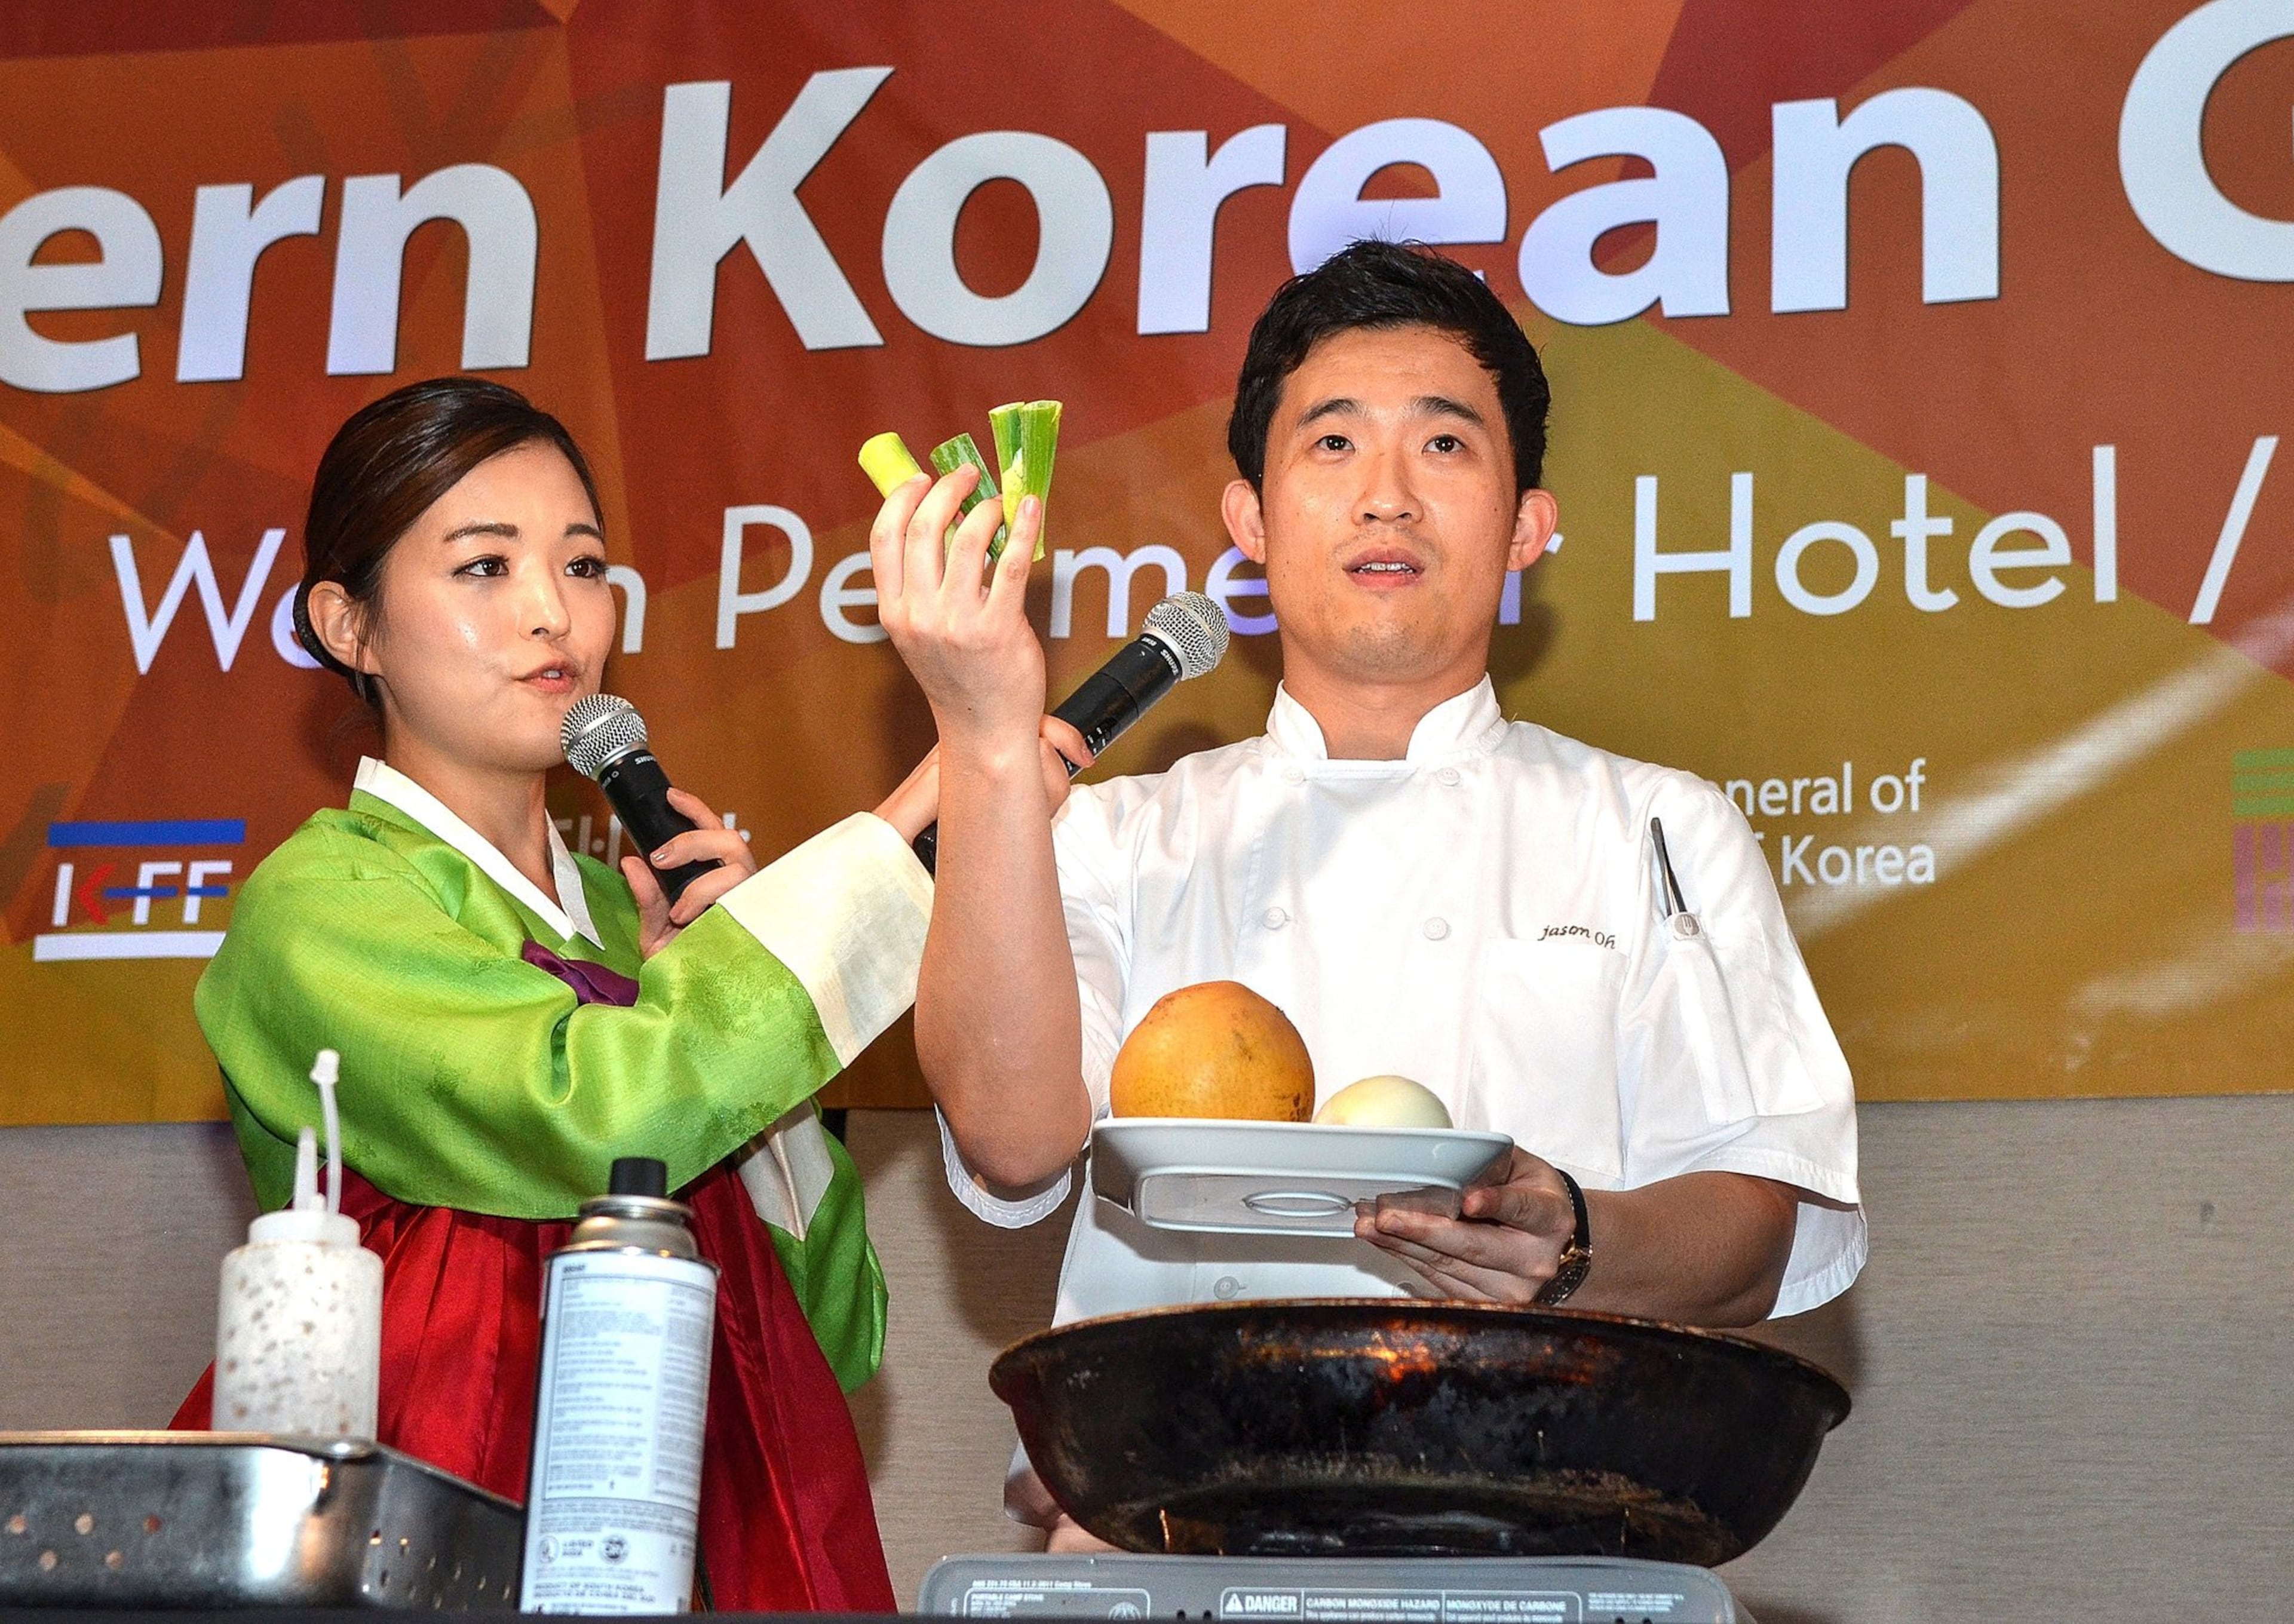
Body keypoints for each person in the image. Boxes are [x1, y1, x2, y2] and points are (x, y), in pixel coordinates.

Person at [870, 240, 1865, 1538]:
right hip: (1161, 1537)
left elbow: (1754, 1231)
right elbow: (1012, 1139)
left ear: (1526, 527)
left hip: (1547, 1520)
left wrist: (1568, 1240)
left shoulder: (1658, 826)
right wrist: (988, 739)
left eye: (1445, 446)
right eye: (1332, 445)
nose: (1387, 495)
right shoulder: (1120, 834)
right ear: (1251, 522)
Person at [173, 377, 1038, 1608]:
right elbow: (594, 1115)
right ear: (347, 625)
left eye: (583, 567)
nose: (551, 611)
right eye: (484, 567)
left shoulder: (643, 938)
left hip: (687, 1534)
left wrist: (733, 991)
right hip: (427, 1537)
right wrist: (897, 833)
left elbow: (834, 1334)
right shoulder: (318, 905)